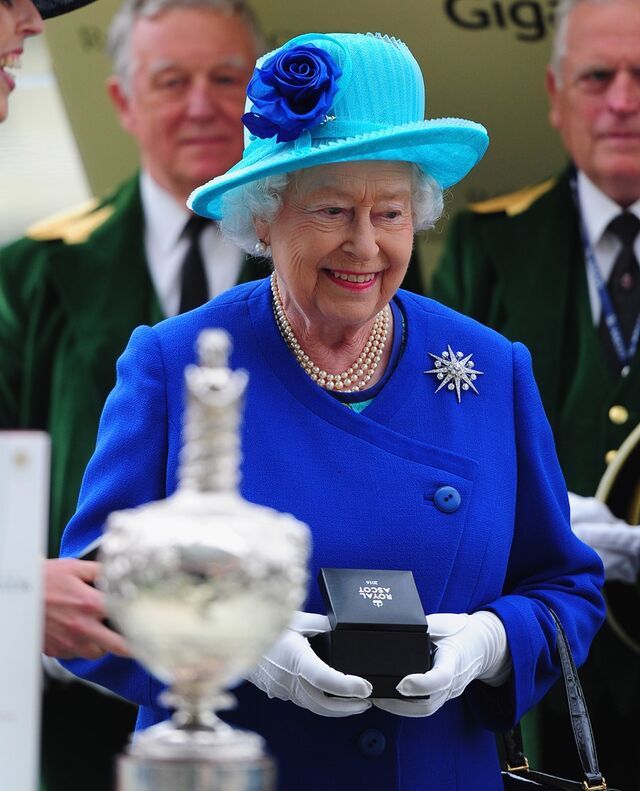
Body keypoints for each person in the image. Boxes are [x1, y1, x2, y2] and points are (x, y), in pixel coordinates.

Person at [58, 31, 604, 791]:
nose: (365, 245)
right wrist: (240, 648)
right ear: (261, 216)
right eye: (331, 210)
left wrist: (490, 641)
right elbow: (87, 596)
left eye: (391, 212)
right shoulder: (177, 361)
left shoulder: (491, 367)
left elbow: (566, 589)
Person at [1, 0, 270, 788]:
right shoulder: (33, 273)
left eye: (227, 79)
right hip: (77, 700)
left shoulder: (332, 263)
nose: (200, 105)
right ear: (122, 101)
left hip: (268, 686)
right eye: (170, 80)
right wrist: (23, 593)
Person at [431, 0, 640, 786]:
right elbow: (444, 444)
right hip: (543, 688)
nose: (622, 100)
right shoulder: (489, 244)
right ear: (555, 96)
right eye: (597, 76)